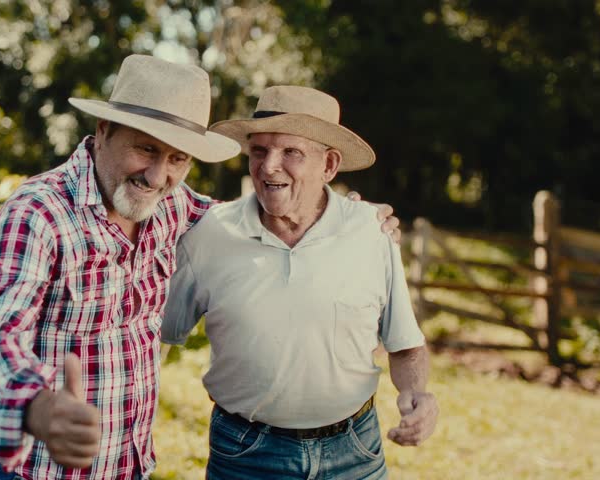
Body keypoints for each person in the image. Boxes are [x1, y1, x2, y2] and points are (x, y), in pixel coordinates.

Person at [0, 55, 401, 479]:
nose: (157, 176)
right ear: (103, 131)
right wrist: (35, 406)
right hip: (35, 470)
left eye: (177, 159)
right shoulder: (40, 213)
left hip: (126, 465)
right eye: (146, 149)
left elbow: (263, 214)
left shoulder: (174, 206)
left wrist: (348, 218)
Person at [162, 86, 438, 479]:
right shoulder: (209, 235)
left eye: (291, 152)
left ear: (329, 165)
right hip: (246, 455)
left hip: (355, 451)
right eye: (259, 151)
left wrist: (417, 394)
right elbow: (153, 333)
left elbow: (406, 345)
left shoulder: (371, 231)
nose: (269, 166)